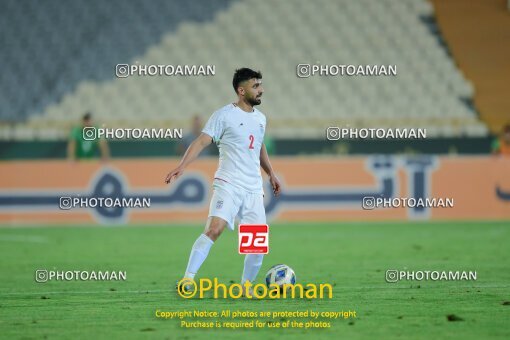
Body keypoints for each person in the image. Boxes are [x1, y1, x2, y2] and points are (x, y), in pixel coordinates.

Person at [164, 68, 282, 295]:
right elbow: (201, 142)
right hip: (229, 184)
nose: (261, 90)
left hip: (253, 189)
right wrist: (182, 166)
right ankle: (188, 279)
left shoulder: (260, 119)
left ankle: (246, 287)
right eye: (256, 86)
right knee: (214, 229)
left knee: (256, 245)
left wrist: (271, 173)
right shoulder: (224, 115)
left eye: (260, 85)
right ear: (241, 90)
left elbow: (259, 147)